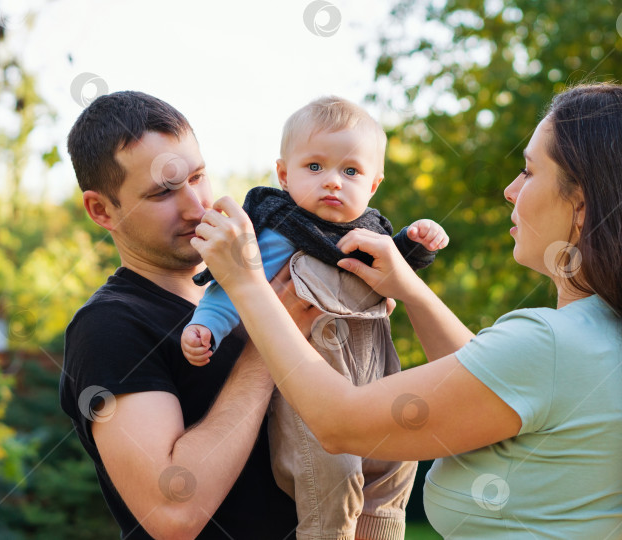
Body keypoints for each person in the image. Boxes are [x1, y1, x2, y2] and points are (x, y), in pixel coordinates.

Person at [189, 83, 622, 539]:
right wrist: (412, 289)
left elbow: (341, 422)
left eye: (529, 171)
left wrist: (244, 280)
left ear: (580, 208)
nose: (510, 189)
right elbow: (488, 379)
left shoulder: (552, 344)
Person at [181, 96, 449, 540]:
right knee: (334, 485)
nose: (332, 182)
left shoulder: (372, 236)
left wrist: (417, 242)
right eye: (314, 168)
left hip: (378, 385)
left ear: (373, 185)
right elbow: (229, 286)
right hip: (310, 406)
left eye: (350, 171)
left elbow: (399, 269)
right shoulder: (277, 232)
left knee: (395, 475)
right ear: (283, 175)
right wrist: (204, 325)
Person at [59, 90, 299, 539]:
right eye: (163, 192)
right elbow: (172, 513)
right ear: (101, 210)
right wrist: (275, 335)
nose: (196, 206)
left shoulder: (251, 285)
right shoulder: (108, 327)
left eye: (198, 176)